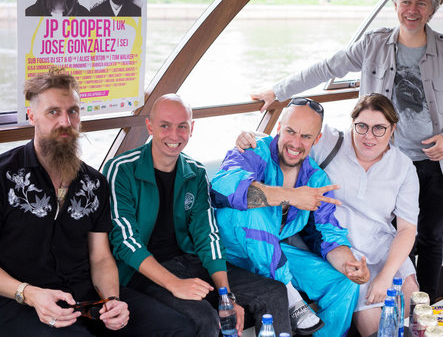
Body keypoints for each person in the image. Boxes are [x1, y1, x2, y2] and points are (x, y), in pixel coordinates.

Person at [250, 0, 443, 301]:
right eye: (406, 2)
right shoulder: (373, 44)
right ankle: (375, 296)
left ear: (433, 9)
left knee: (430, 238)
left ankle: (424, 310)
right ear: (394, 4)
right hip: (383, 160)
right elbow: (326, 67)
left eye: (421, 3)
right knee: (390, 235)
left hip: (435, 163)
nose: (412, 10)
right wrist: (277, 91)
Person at [0, 69, 190, 336]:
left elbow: (100, 257)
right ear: (32, 116)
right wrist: (29, 294)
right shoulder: (4, 175)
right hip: (19, 301)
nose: (66, 121)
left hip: (85, 295)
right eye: (53, 112)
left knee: (177, 327)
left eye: (74, 111)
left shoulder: (94, 182)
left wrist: (113, 301)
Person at [103, 94, 290, 336]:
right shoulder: (121, 169)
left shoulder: (196, 172)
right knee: (203, 317)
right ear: (150, 126)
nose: (174, 135)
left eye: (182, 126)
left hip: (189, 262)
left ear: (191, 129)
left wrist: (226, 296)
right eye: (164, 125)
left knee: (273, 292)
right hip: (142, 271)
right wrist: (175, 284)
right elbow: (126, 242)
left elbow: (207, 234)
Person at [236, 94, 420, 336]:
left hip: (380, 245)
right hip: (335, 245)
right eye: (362, 126)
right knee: (372, 325)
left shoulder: (403, 166)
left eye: (379, 129)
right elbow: (286, 140)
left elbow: (406, 229)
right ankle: (294, 297)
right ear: (352, 123)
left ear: (392, 128)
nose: (368, 136)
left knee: (411, 302)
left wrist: (377, 275)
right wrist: (248, 136)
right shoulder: (330, 143)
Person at [210, 98, 368, 337]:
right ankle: (287, 291)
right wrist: (291, 196)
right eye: (290, 131)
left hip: (274, 253)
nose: (295, 143)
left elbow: (329, 236)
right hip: (232, 252)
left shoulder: (317, 180)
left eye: (306, 136)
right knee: (255, 208)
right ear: (278, 128)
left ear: (317, 140)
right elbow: (223, 186)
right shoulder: (255, 150)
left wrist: (350, 266)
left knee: (344, 284)